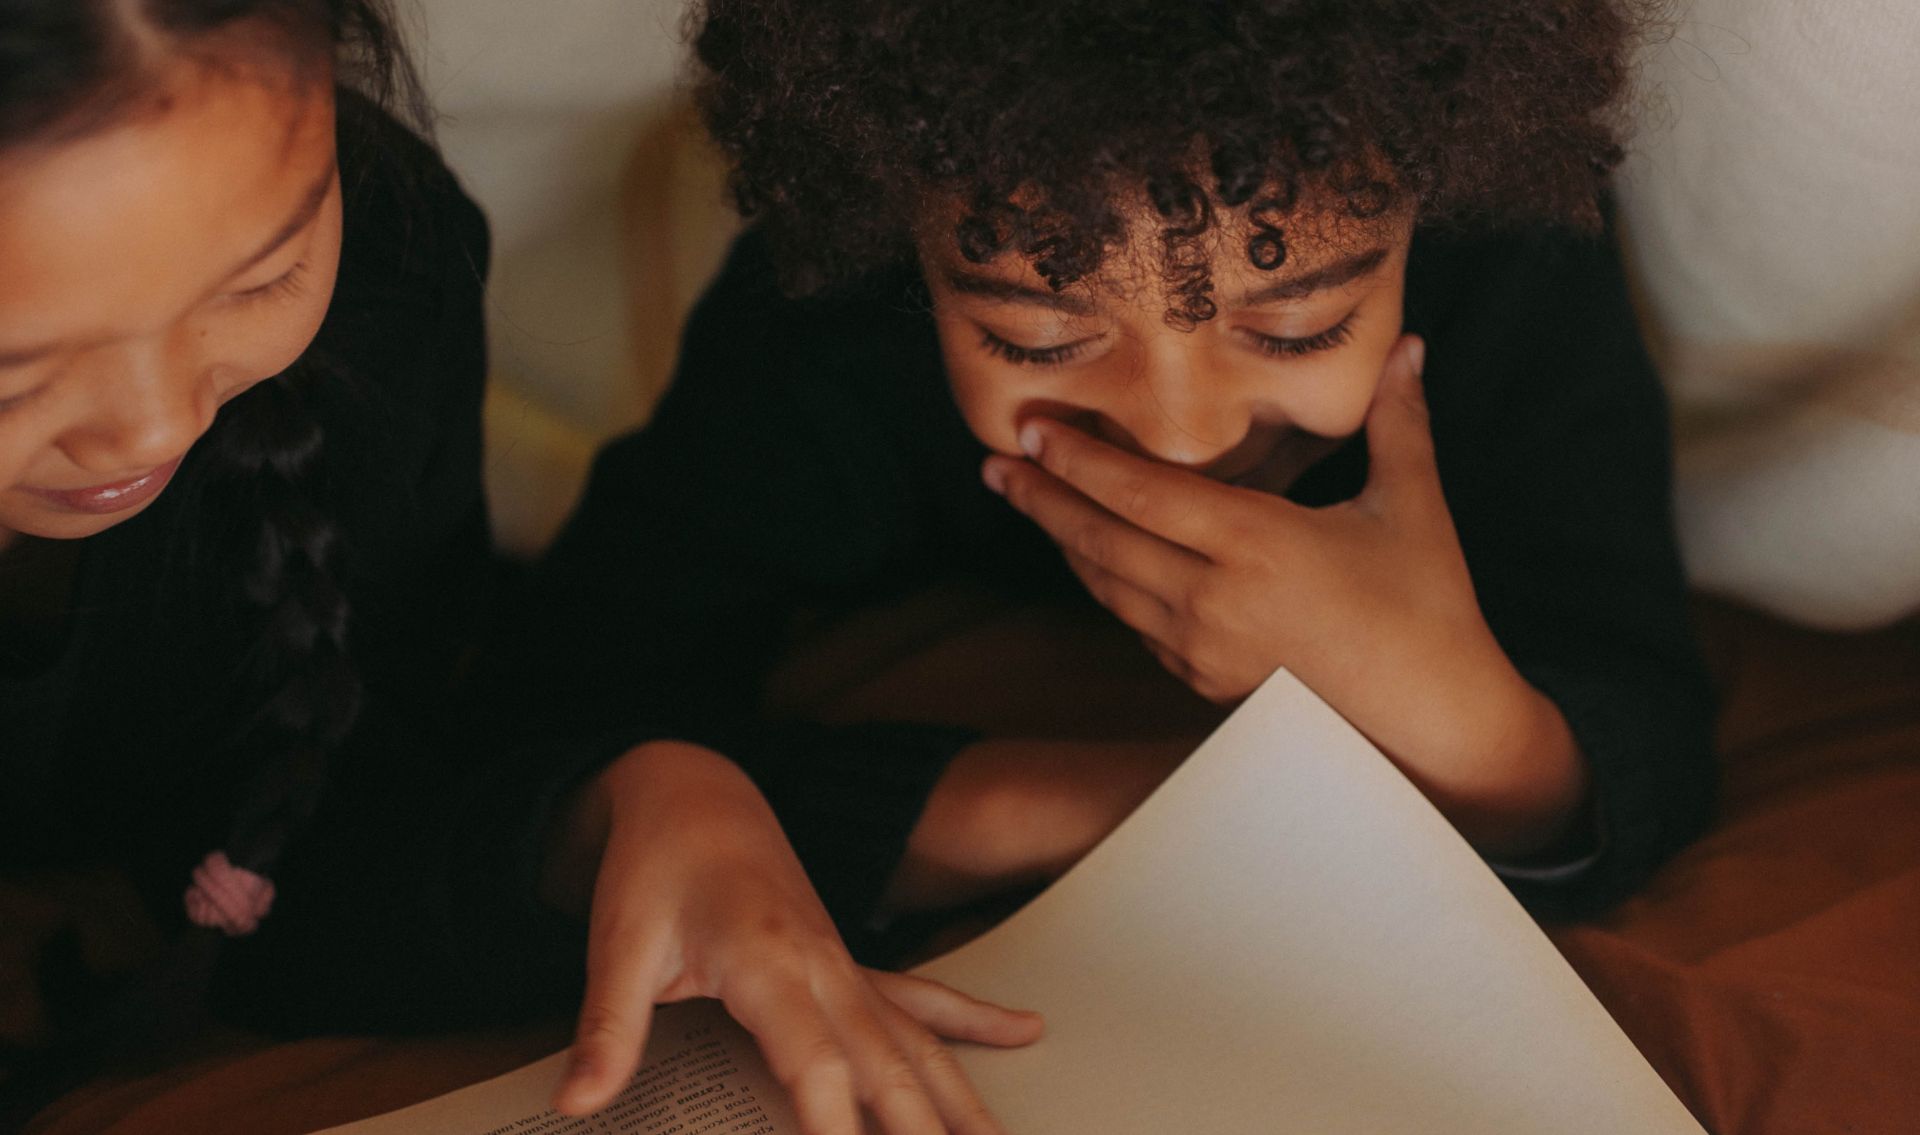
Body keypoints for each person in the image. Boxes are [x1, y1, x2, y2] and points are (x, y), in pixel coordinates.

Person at [523, 0, 1718, 1055]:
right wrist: (1100, 804)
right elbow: (562, 706)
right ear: (903, 243)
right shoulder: (832, 320)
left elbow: (1640, 727)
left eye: (1297, 329)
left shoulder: (1504, 255)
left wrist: (1455, 719)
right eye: (1040, 340)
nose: (1184, 435)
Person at [0, 3, 1035, 1131]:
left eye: (261, 278)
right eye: (16, 371)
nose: (151, 430)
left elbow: (326, 842)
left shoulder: (386, 278)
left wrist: (618, 811)